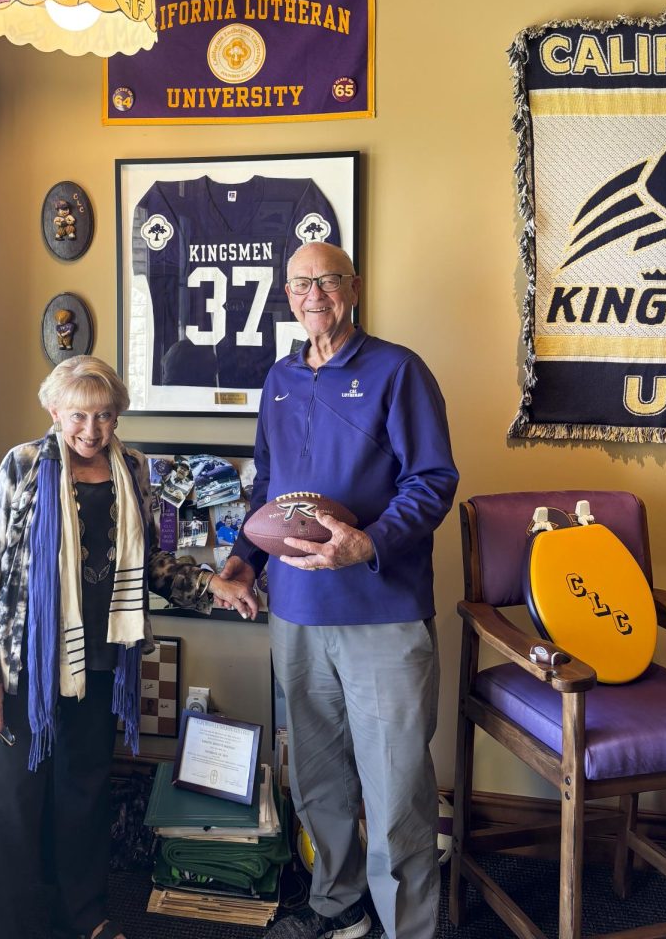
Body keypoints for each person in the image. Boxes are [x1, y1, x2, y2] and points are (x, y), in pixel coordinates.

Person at [0, 355, 258, 939]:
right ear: (53, 411)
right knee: (12, 810)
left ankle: (85, 919)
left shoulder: (134, 469)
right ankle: (3, 928)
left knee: (84, 799)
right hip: (25, 670)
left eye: (103, 416)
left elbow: (152, 563)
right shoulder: (22, 467)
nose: (91, 430)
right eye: (78, 415)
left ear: (117, 416)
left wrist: (212, 586)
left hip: (101, 667)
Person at [219, 242, 458, 939]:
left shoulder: (398, 370)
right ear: (285, 295)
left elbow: (434, 480)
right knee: (319, 783)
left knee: (397, 795)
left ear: (353, 287)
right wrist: (242, 563)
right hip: (296, 615)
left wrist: (369, 541)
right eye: (299, 283)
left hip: (383, 614)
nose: (313, 293)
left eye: (327, 279)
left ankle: (406, 929)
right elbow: (266, 489)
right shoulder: (280, 378)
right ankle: (339, 908)